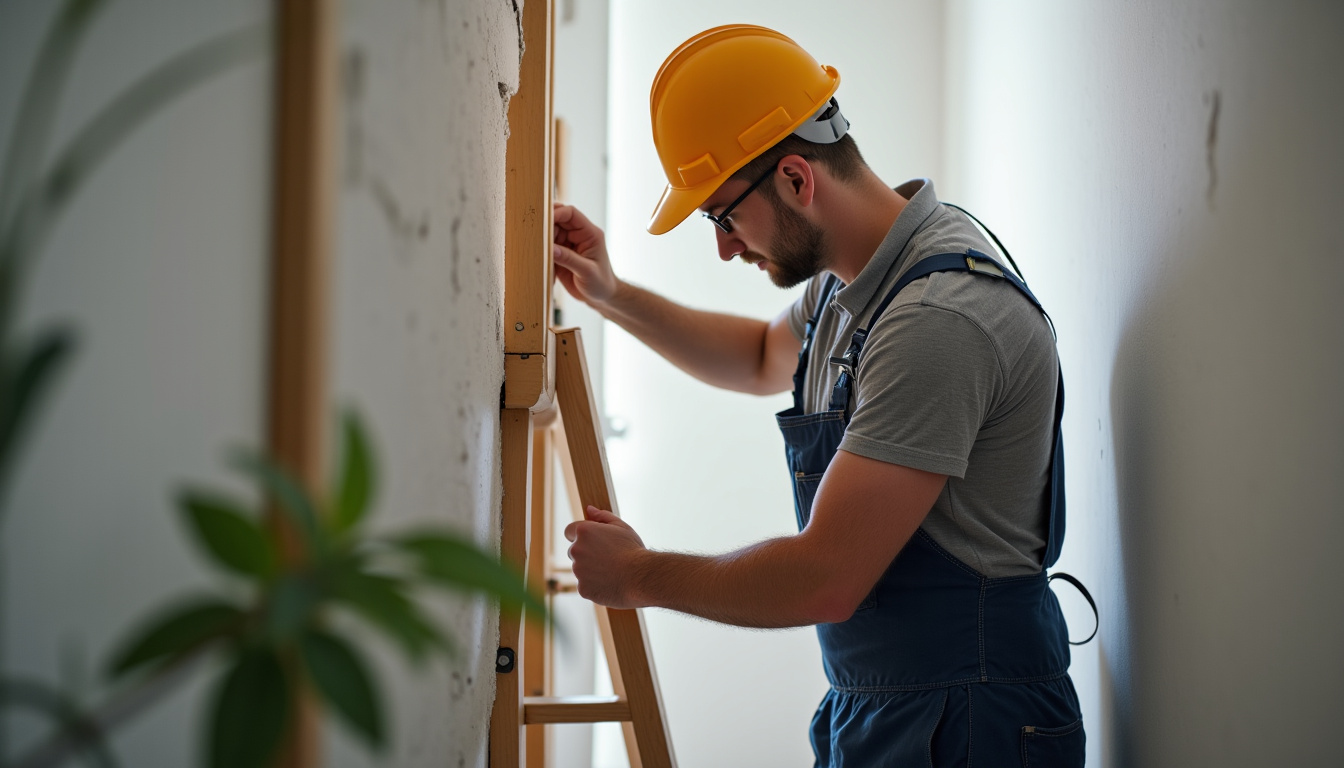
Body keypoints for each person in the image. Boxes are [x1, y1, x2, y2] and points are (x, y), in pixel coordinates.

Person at [555, 24, 1086, 767]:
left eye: (723, 215)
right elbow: (760, 356)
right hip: (886, 702)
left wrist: (639, 575)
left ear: (798, 179)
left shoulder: (937, 320)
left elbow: (826, 577)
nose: (725, 245)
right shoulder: (853, 280)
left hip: (971, 718)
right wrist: (611, 295)